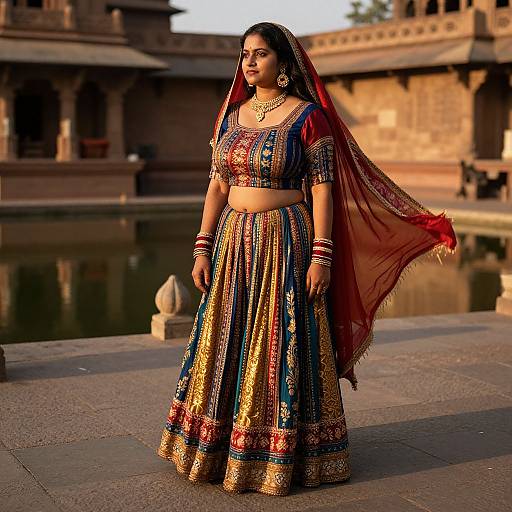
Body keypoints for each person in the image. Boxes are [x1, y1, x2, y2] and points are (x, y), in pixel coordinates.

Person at [157, 21, 457, 497]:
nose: (248, 62)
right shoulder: (230, 117)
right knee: (227, 338)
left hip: (286, 244)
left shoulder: (307, 117)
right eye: (244, 54)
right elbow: (217, 184)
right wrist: (202, 244)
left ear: (283, 63)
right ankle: (216, 447)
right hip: (234, 242)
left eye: (259, 53)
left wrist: (322, 254)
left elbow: (322, 189)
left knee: (281, 343)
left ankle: (284, 456)